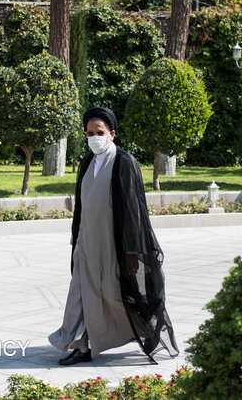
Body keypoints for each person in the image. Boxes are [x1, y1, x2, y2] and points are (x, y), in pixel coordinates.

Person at [48, 106, 179, 366]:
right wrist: (76, 241)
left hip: (113, 245)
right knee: (81, 293)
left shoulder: (123, 162)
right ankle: (81, 346)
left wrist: (131, 251)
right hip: (86, 243)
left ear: (112, 134)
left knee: (113, 295)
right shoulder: (87, 161)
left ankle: (147, 328)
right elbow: (83, 206)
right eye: (89, 133)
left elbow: (133, 211)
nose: (93, 137)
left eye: (99, 132)